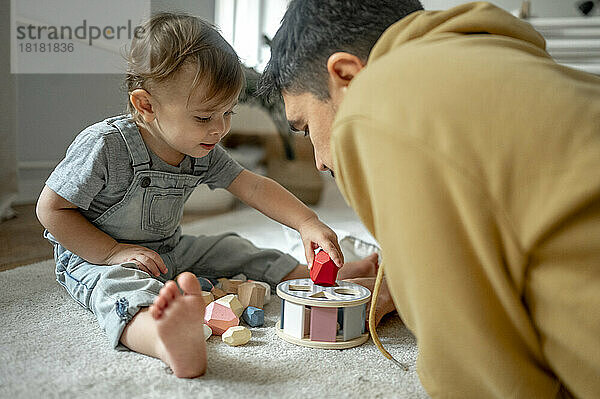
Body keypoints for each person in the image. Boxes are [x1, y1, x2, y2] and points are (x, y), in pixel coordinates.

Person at [258, 0, 600, 398]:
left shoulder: (381, 106)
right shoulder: (496, 61)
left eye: (305, 127)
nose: (318, 161)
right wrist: (401, 286)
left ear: (347, 76)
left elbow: (479, 374)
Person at [35, 12, 380, 379]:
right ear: (146, 105)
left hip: (168, 249)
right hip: (94, 258)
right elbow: (51, 209)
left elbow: (253, 185)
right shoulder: (104, 146)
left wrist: (306, 222)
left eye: (227, 113)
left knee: (232, 247)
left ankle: (305, 278)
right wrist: (112, 252)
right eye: (204, 117)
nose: (219, 128)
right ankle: (164, 340)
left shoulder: (202, 151)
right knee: (120, 289)